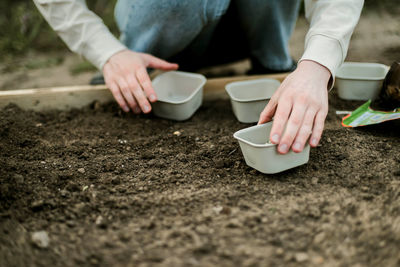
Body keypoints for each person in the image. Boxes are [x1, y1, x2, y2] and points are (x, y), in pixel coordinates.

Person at [33, 0, 363, 154]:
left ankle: (273, 66)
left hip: (246, 30)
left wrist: (317, 65)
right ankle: (134, 73)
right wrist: (108, 52)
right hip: (167, 29)